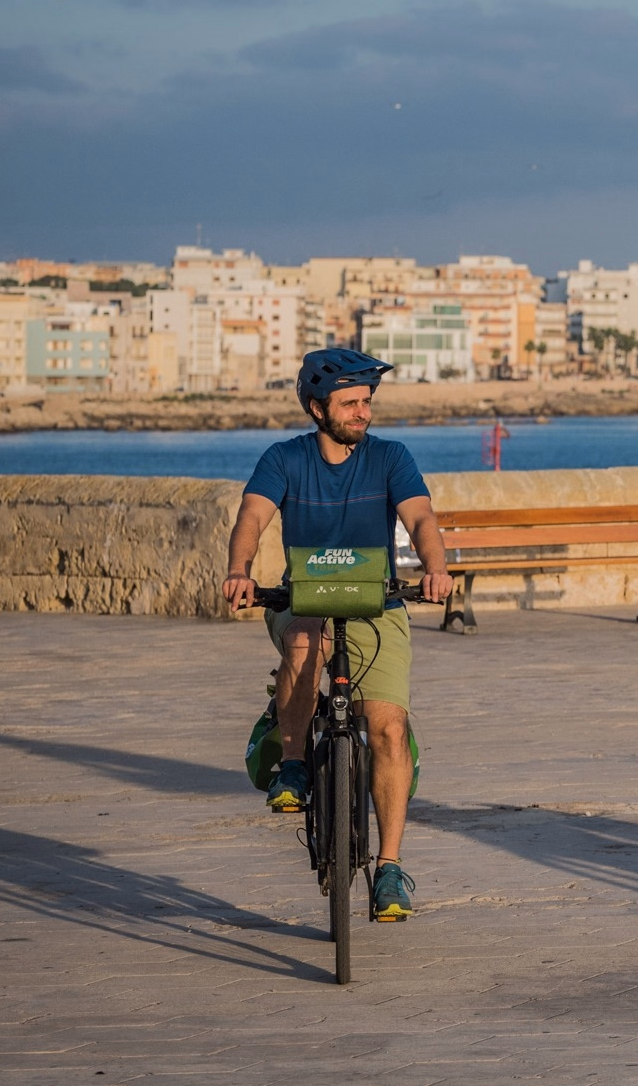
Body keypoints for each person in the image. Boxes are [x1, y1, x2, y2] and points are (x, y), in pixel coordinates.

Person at [221, 348, 453, 922]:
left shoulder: (391, 458)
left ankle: (390, 868)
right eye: (350, 403)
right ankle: (296, 763)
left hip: (376, 602)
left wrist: (435, 567)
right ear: (316, 407)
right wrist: (239, 571)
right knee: (305, 640)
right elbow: (251, 518)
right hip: (304, 597)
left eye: (367, 402)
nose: (363, 412)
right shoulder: (284, 459)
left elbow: (420, 518)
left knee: (389, 728)